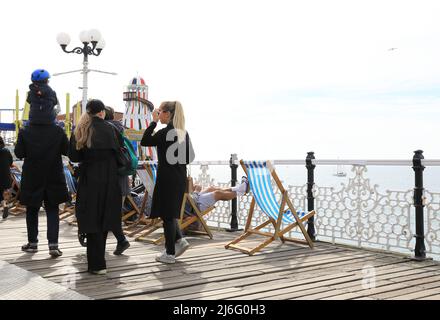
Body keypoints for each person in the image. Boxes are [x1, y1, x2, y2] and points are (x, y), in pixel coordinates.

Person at [68, 99, 123, 274]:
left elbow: (74, 157)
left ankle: (97, 264)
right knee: (105, 218)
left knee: (91, 219)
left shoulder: (81, 129)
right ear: (102, 112)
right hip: (110, 180)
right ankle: (99, 262)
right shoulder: (112, 129)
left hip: (89, 179)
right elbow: (120, 152)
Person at [141, 101, 195, 264]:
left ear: (168, 114)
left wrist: (153, 122)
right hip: (179, 178)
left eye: (160, 111)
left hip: (166, 178)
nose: (158, 114)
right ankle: (180, 240)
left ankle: (169, 253)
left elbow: (145, 141)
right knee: (170, 213)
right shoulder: (182, 133)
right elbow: (190, 157)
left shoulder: (164, 133)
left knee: (167, 215)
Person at [14, 110, 69, 258]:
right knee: (52, 210)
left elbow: (19, 153)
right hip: (53, 174)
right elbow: (67, 150)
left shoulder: (25, 130)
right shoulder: (58, 130)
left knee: (32, 209)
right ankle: (53, 245)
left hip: (32, 175)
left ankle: (32, 243)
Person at [104, 106, 130, 255]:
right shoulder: (120, 129)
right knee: (114, 213)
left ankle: (121, 240)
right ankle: (120, 241)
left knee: (109, 213)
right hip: (122, 178)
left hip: (111, 178)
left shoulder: (107, 130)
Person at [0, 137, 13, 219]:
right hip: (6, 177)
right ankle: (5, 205)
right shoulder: (6, 150)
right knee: (3, 191)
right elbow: (11, 162)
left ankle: (4, 205)